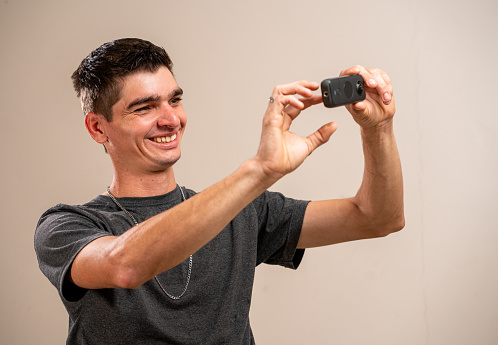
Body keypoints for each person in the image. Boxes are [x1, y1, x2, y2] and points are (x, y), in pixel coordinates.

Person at [34, 38, 404, 344]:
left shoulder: (243, 209)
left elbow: (378, 218)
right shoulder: (65, 226)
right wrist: (259, 170)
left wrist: (379, 129)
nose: (170, 119)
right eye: (145, 107)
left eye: (174, 100)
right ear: (98, 128)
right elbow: (126, 264)